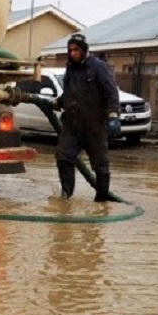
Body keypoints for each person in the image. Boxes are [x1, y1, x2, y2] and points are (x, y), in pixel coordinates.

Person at [54, 34, 121, 202]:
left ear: (84, 50)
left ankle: (101, 200)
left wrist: (113, 115)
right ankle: (66, 195)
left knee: (100, 165)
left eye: (76, 50)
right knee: (63, 156)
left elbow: (111, 92)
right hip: (72, 125)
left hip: (95, 125)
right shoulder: (70, 69)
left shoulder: (99, 67)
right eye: (70, 50)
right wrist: (58, 102)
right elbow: (70, 92)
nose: (73, 53)